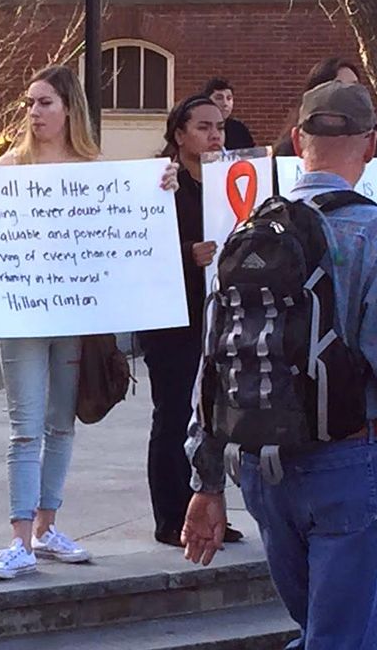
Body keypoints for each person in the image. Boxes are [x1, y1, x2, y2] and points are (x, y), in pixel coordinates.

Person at [182, 81, 377, 648]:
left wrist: (205, 479)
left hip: (260, 466)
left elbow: (214, 361)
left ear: (296, 140)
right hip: (346, 461)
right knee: (343, 639)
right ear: (371, 144)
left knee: (319, 632)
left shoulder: (248, 232)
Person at [0, 65, 179, 580]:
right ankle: (20, 537)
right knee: (25, 428)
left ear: (69, 107)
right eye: (29, 103)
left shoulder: (93, 168)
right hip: (23, 313)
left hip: (72, 315)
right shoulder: (8, 166)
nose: (34, 112)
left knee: (60, 423)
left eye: (45, 102)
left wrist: (160, 188)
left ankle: (47, 527)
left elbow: (128, 219)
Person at [139, 95, 242, 548]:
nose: (214, 134)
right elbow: (136, 246)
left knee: (212, 415)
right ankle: (170, 515)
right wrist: (187, 255)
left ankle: (207, 506)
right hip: (171, 318)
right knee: (175, 413)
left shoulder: (229, 181)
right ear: (178, 134)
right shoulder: (162, 182)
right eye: (203, 126)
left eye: (219, 126)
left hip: (219, 313)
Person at [273, 58, 362, 157]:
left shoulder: (367, 142)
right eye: (339, 85)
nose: (349, 92)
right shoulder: (290, 149)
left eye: (354, 86)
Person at [203, 77, 255, 150]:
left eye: (229, 98)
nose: (225, 103)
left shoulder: (239, 130)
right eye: (219, 98)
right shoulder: (199, 127)